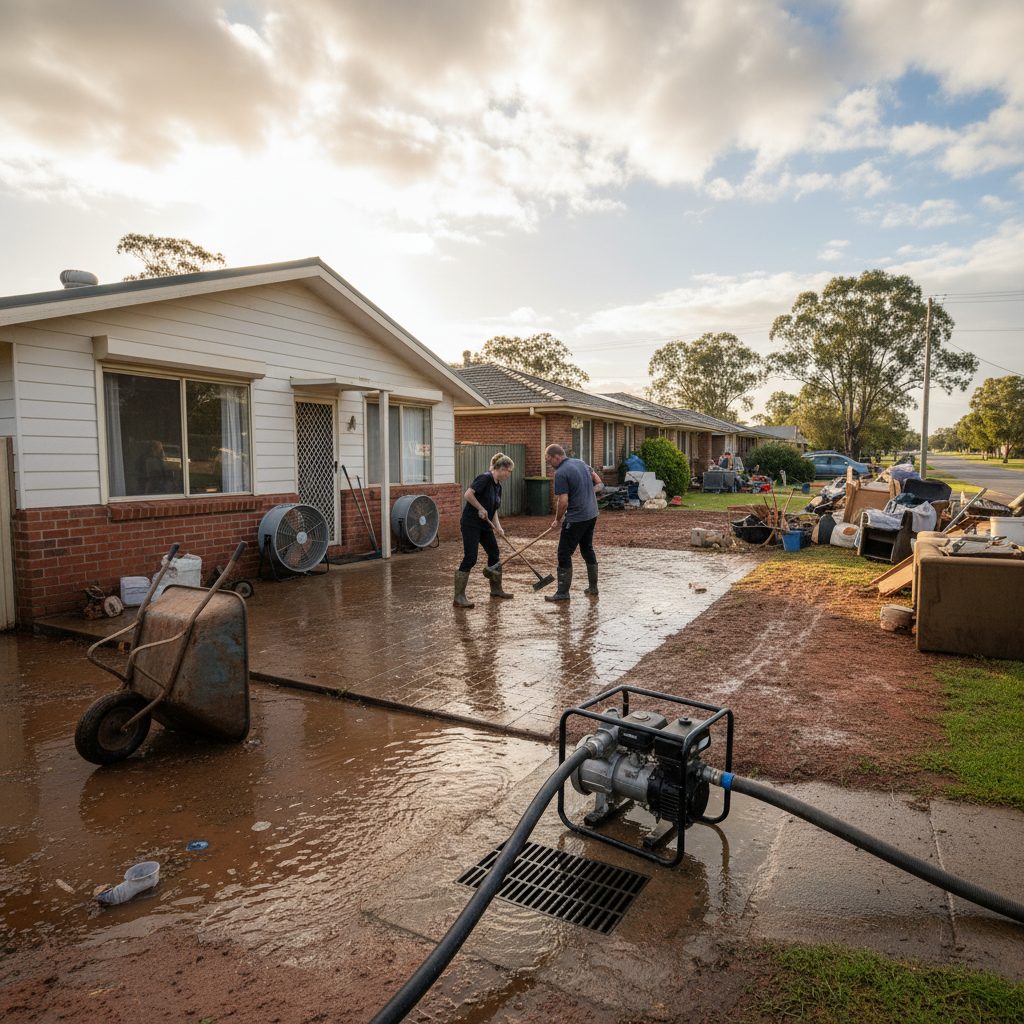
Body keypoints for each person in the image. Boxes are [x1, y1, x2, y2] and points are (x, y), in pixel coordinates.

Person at [454, 453, 514, 608]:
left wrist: (498, 526)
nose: (509, 474)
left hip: (485, 526)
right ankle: (459, 597)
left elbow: (493, 509)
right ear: (502, 468)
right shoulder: (484, 478)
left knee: (494, 554)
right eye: (509, 471)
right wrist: (480, 508)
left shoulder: (497, 486)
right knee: (471, 557)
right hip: (471, 524)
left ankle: (496, 590)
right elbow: (468, 494)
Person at [543, 444, 599, 601]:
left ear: (557, 457)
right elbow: (598, 482)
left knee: (564, 553)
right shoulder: (580, 463)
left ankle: (562, 593)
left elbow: (563, 502)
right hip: (592, 514)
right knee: (587, 548)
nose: (549, 464)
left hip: (577, 517)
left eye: (549, 460)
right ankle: (593, 588)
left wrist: (557, 520)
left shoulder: (561, 473)